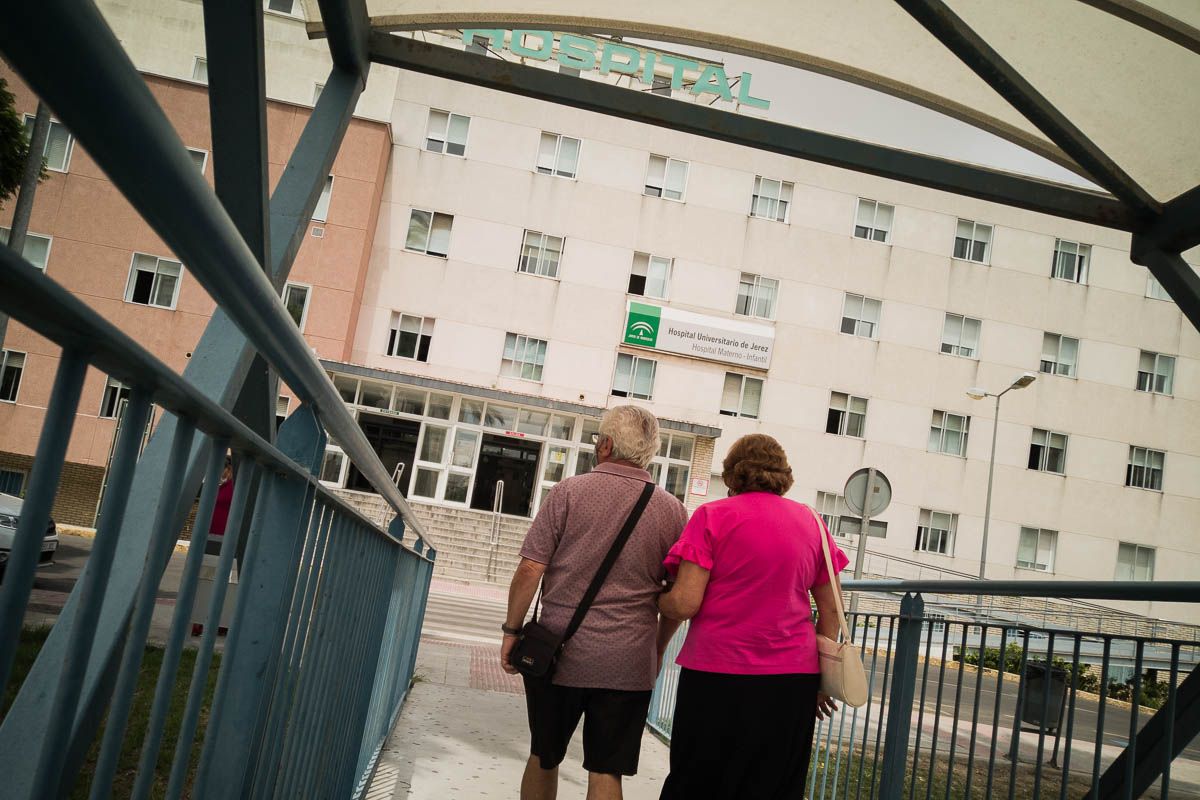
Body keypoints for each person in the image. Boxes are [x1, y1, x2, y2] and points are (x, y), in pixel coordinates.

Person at [501, 405, 688, 800]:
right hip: (628, 662)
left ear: (604, 445)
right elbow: (674, 598)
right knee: (607, 770)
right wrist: (654, 650)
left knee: (543, 755)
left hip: (557, 654)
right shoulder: (673, 511)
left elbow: (530, 570)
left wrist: (511, 632)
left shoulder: (569, 491)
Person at [657, 433, 849, 800]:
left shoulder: (712, 516)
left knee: (697, 781)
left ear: (732, 474)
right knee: (774, 785)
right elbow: (831, 610)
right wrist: (820, 680)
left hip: (716, 676)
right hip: (791, 682)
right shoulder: (812, 522)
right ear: (783, 474)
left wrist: (659, 598)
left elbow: (683, 604)